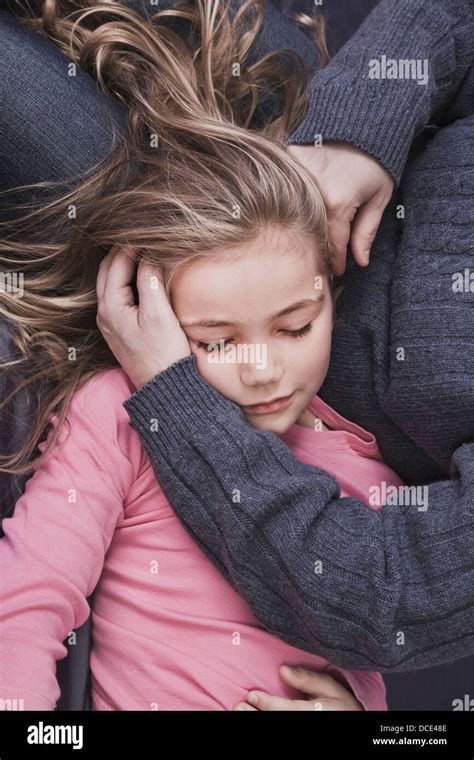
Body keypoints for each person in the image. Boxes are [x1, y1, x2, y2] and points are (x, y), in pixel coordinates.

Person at [0, 0, 390, 712]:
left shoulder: (366, 463)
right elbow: (26, 602)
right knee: (278, 65)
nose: (265, 370)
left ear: (331, 296)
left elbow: (373, 630)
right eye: (216, 341)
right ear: (158, 324)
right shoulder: (120, 416)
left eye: (296, 326)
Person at [96, 0, 474, 679]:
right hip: (297, 135)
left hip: (165, 293)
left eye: (298, 325)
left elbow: (383, 595)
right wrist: (360, 127)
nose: (266, 369)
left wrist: (174, 395)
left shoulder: (125, 399)